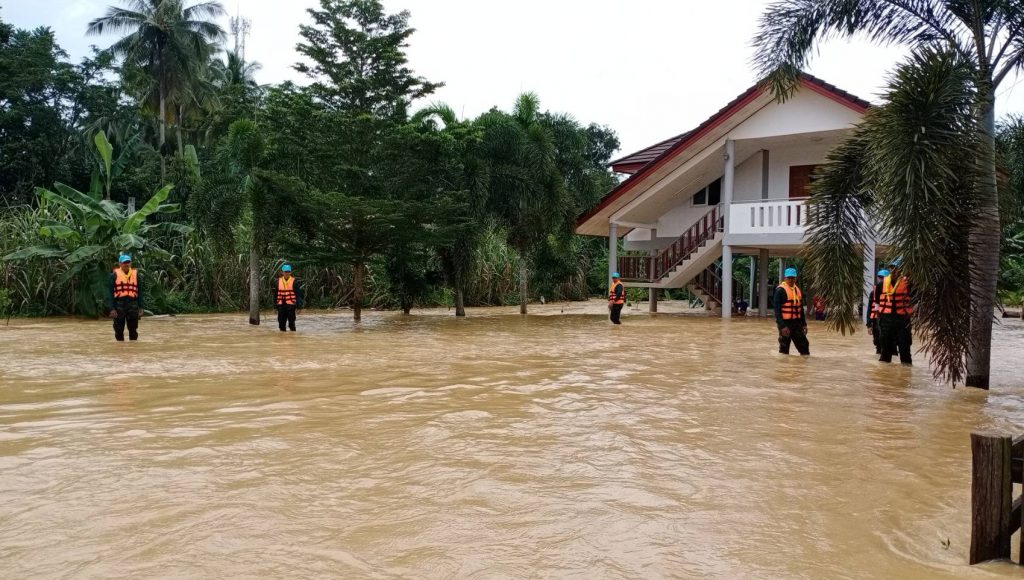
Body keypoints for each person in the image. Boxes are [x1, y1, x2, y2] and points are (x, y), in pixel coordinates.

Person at [877, 261, 913, 365]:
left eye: (897, 268)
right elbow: (877, 303)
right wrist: (873, 322)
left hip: (902, 319)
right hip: (886, 319)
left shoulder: (908, 284)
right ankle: (885, 375)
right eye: (892, 268)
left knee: (905, 348)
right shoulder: (881, 285)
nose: (894, 270)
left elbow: (915, 298)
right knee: (885, 351)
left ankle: (906, 374)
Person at [774, 267, 809, 356]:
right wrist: (782, 326)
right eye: (789, 278)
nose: (791, 280)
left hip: (796, 323)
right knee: (784, 348)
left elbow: (800, 309)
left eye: (793, 278)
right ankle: (784, 368)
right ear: (785, 278)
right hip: (785, 323)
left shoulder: (797, 290)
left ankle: (801, 367)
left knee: (804, 345)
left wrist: (804, 324)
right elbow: (777, 311)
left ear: (795, 278)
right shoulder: (780, 291)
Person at [107, 254, 143, 341]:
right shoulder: (114, 276)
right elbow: (109, 293)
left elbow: (140, 292)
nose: (126, 264)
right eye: (124, 263)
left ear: (131, 263)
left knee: (133, 330)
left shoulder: (136, 275)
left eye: (128, 262)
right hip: (119, 304)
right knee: (118, 331)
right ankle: (120, 351)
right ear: (120, 264)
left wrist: (141, 307)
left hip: (133, 304)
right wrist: (111, 309)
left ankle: (133, 350)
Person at [273, 264, 304, 332]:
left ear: (290, 272)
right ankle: (282, 340)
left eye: (288, 271)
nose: (287, 273)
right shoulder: (278, 282)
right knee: (281, 324)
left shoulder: (294, 282)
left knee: (291, 324)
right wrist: (275, 307)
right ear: (282, 272)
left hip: (291, 306)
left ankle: (292, 339)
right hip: (281, 306)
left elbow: (298, 295)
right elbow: (275, 295)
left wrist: (299, 307)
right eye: (285, 271)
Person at [866, 269, 888, 354]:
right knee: (877, 342)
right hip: (876, 321)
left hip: (888, 321)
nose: (882, 279)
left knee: (887, 343)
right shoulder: (873, 293)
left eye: (884, 278)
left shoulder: (892, 291)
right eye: (880, 277)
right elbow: (869, 309)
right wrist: (868, 325)